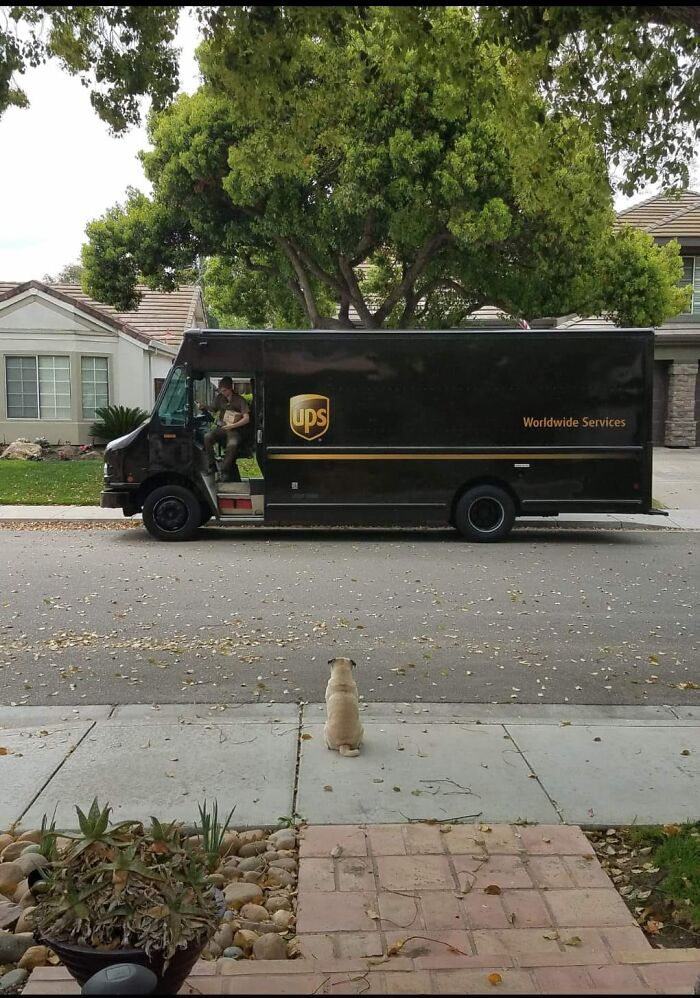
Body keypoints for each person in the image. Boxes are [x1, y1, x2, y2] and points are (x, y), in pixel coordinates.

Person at [200, 377, 250, 482]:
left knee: (232, 445)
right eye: (221, 390)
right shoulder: (219, 398)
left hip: (235, 430)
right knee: (207, 437)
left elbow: (246, 419)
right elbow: (213, 409)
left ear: (230, 388)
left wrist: (232, 426)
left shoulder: (240, 400)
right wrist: (203, 406)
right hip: (222, 428)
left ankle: (225, 471)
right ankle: (212, 465)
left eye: (224, 390)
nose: (222, 393)